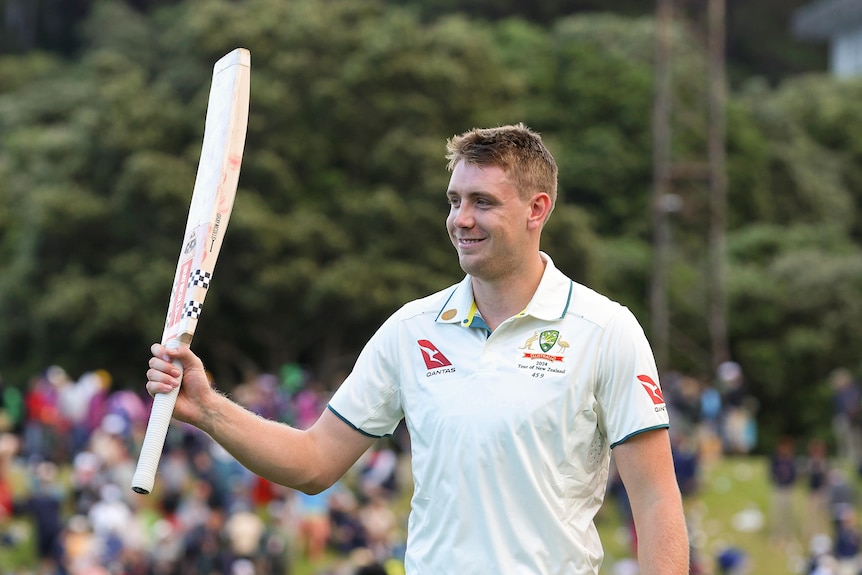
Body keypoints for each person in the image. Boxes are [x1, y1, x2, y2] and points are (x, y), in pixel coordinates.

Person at [145, 123, 689, 574]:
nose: (460, 219)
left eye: (483, 202)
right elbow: (313, 463)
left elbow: (657, 502)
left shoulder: (606, 329)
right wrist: (209, 408)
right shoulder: (413, 328)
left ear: (537, 209)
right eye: (454, 200)